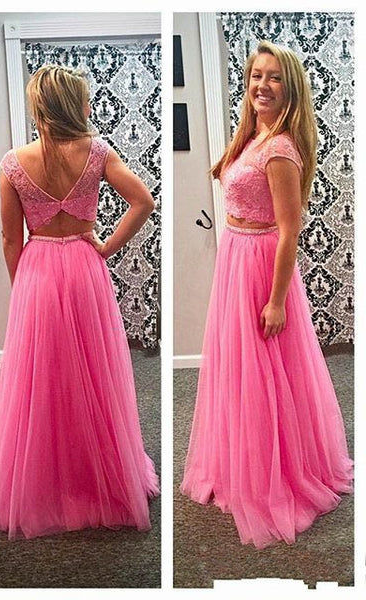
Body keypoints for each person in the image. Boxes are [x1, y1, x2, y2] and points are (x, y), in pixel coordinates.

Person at [0, 65, 159, 539]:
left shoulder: (14, 162)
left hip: (36, 271)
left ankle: (44, 478)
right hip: (82, 265)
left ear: (39, 107)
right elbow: (143, 201)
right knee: (94, 370)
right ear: (78, 106)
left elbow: (10, 238)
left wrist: (21, 288)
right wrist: (107, 246)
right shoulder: (97, 152)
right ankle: (96, 473)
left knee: (42, 374)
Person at [180, 41, 353, 549]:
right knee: (243, 368)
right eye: (256, 75)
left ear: (290, 87)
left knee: (268, 371)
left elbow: (289, 231)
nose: (263, 85)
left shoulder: (279, 149)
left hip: (260, 263)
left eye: (274, 77)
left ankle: (276, 472)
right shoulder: (253, 136)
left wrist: (276, 300)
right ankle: (245, 460)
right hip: (236, 256)